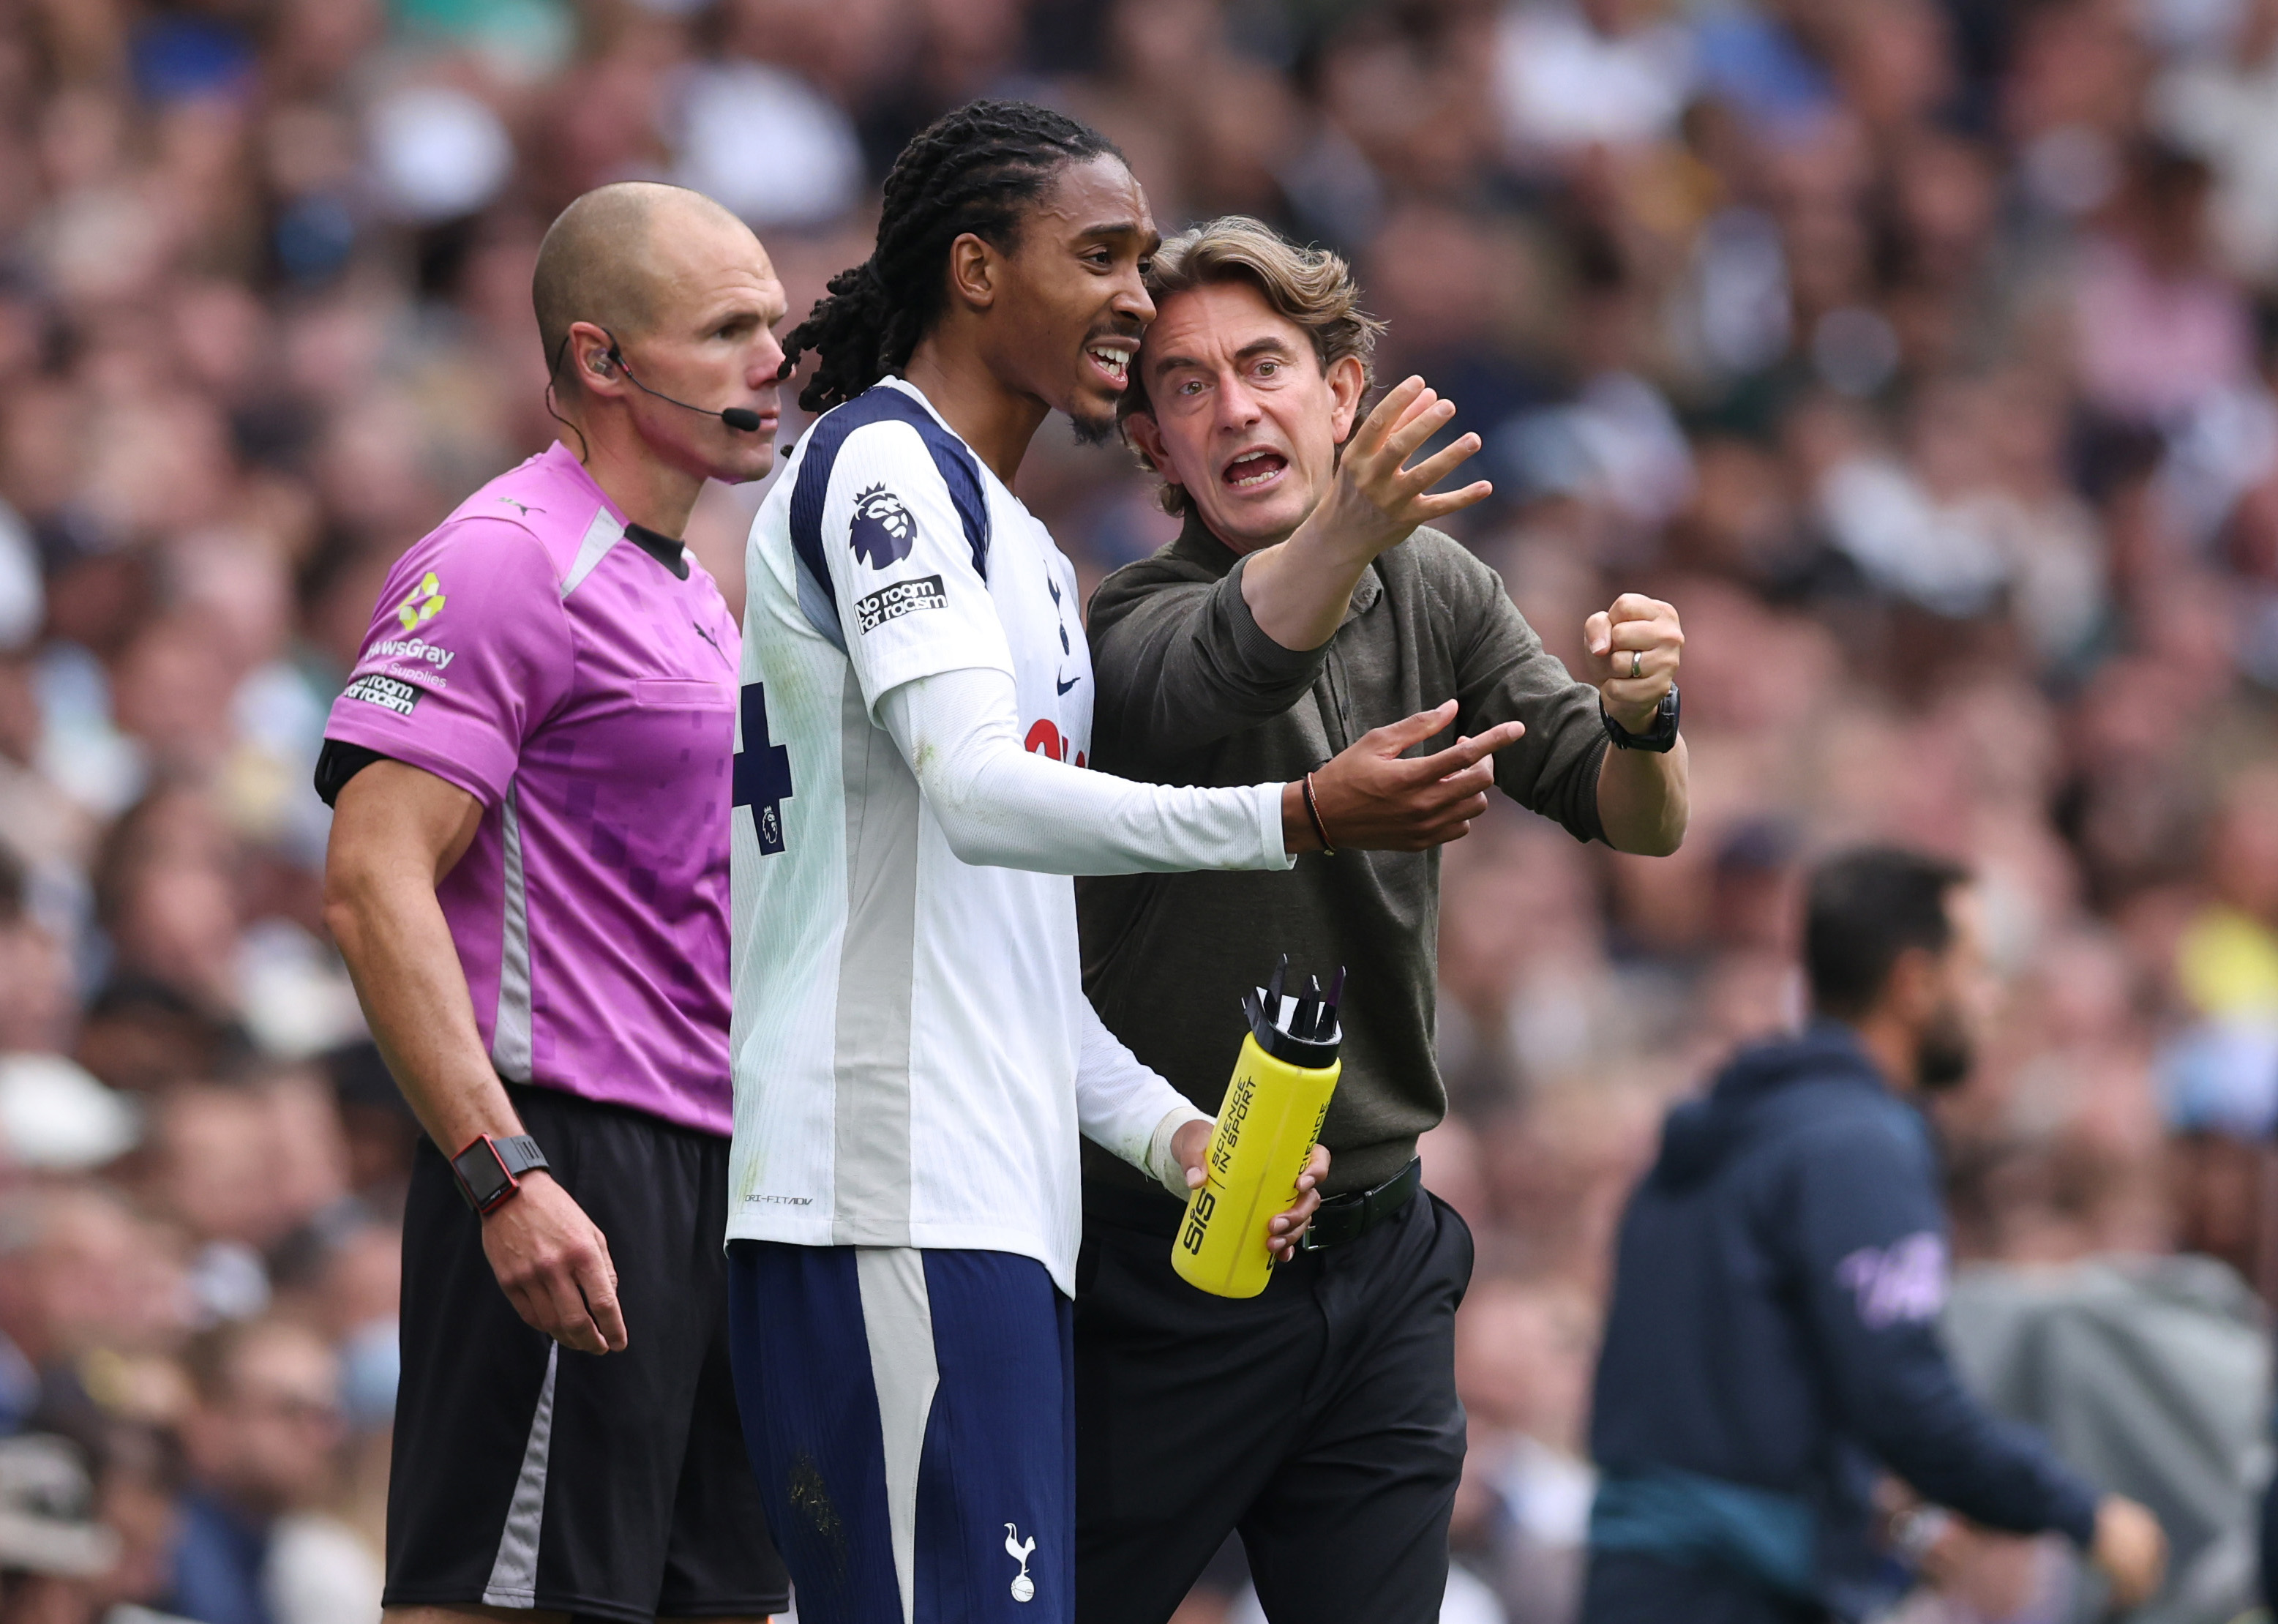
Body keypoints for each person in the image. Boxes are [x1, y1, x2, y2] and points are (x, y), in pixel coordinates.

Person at [726, 102, 1521, 1624]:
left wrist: (1173, 1139)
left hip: (997, 1203)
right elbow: (973, 794)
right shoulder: (877, 468)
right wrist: (1294, 813)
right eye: (1097, 257)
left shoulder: (1018, 547)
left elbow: (1012, 939)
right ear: (972, 269)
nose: (1134, 298)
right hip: (882, 1187)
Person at [1071, 215, 1690, 1624]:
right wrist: (1354, 516)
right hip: (1161, 1256)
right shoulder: (1124, 624)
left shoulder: (1434, 584)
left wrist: (1649, 716)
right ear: (1153, 452)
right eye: (1181, 384)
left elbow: (1622, 807)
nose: (1231, 406)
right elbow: (1230, 664)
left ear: (1339, 390)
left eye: (1265, 364)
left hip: (1376, 1249)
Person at [317, 182, 790, 1624]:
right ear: (598, 359)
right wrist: (501, 1173)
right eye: (724, 331)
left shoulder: (696, 588)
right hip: (565, 1151)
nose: (771, 358)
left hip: (717, 1172)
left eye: (773, 322)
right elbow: (368, 875)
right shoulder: (509, 555)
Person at [1582, 847, 2169, 1623]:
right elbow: (1901, 1391)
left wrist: (1865, 1504)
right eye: (1977, 970)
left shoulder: (1734, 1126)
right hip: (1729, 1588)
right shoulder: (1854, 1142)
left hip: (1638, 1581)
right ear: (1914, 983)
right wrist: (2083, 1513)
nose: (1991, 1001)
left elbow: (1734, 1394)